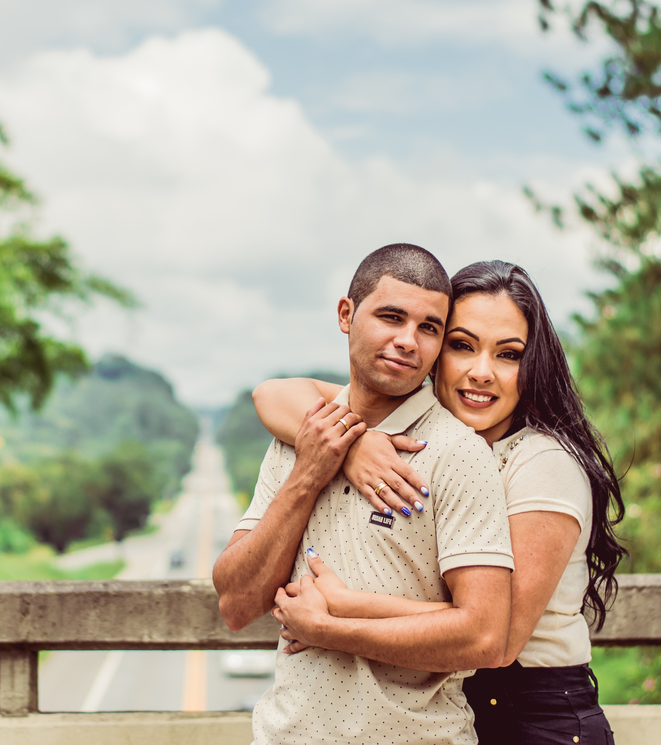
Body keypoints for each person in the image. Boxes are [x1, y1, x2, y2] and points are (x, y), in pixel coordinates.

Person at [253, 259, 626, 745]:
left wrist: (341, 610)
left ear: (532, 367)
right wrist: (354, 445)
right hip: (460, 700)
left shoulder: (542, 463)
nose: (481, 373)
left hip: (535, 715)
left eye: (508, 355)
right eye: (462, 346)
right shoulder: (427, 443)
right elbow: (275, 394)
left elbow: (498, 639)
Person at [213, 244, 516, 745]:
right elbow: (236, 604)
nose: (408, 341)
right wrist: (311, 471)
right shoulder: (300, 436)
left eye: (429, 328)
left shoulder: (457, 454)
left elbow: (484, 638)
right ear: (345, 315)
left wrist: (328, 629)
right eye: (391, 317)